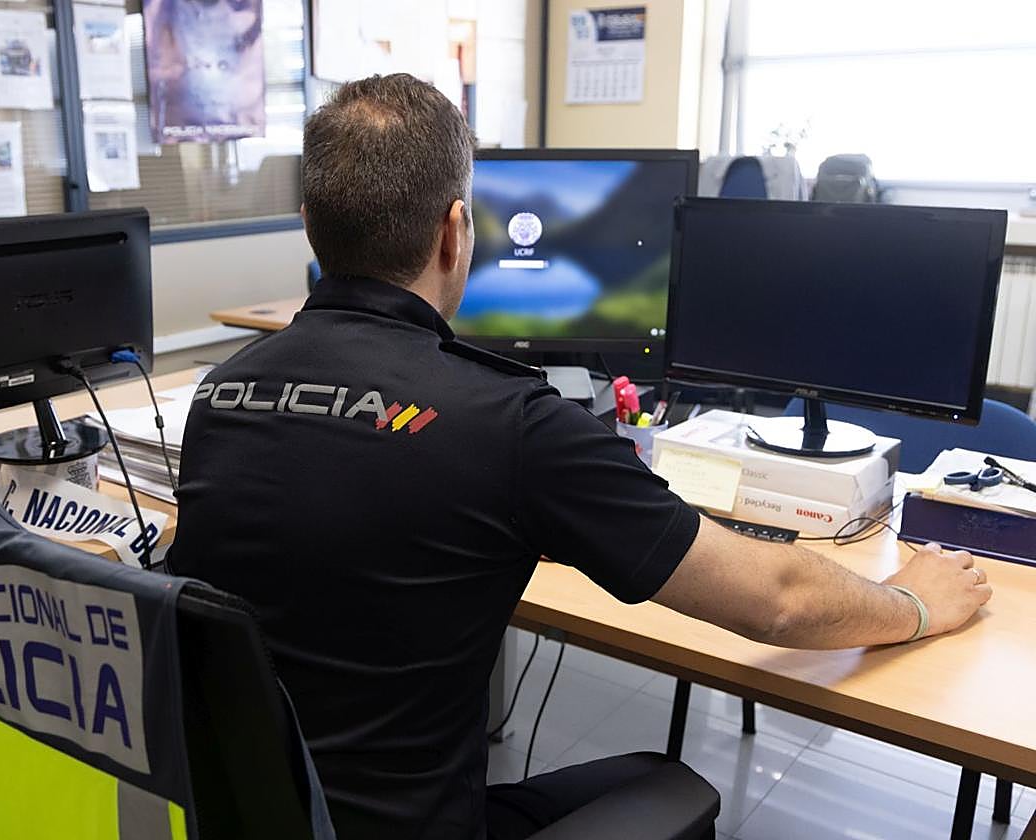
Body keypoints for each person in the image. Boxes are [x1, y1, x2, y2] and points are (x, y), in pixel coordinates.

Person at [169, 73, 992, 840]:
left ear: (310, 225)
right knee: (667, 783)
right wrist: (915, 603)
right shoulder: (511, 423)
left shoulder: (220, 392)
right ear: (458, 231)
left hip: (260, 814)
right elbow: (776, 600)